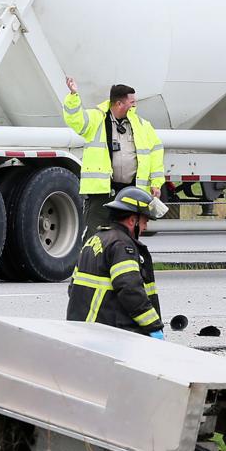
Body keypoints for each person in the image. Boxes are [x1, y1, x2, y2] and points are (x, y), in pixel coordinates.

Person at [62, 77, 167, 236]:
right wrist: (73, 95)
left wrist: (157, 183)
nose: (135, 105)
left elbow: (156, 152)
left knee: (127, 235)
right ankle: (89, 261)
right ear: (119, 104)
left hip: (131, 192)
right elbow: (75, 120)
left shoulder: (141, 125)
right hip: (102, 194)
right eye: (132, 102)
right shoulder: (96, 119)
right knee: (96, 236)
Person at [66, 187, 169, 338]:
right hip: (107, 335)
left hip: (83, 331)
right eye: (145, 220)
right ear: (132, 220)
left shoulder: (94, 240)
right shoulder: (122, 245)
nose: (145, 227)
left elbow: (72, 288)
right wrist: (153, 326)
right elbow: (130, 289)